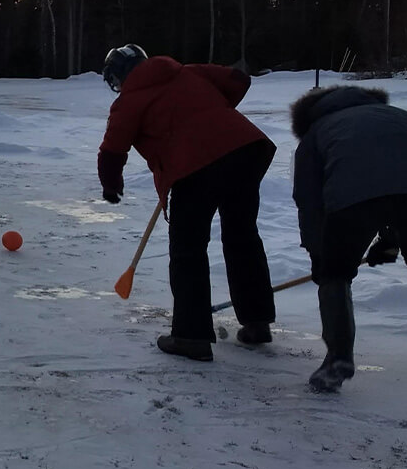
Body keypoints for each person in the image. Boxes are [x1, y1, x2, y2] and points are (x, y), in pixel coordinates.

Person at [97, 43, 277, 361]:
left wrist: (111, 187)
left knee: (188, 250)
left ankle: (191, 336)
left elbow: (112, 150)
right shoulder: (186, 71)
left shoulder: (129, 101)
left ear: (120, 76)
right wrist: (212, 114)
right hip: (245, 151)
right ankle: (256, 322)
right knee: (242, 237)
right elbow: (238, 79)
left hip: (196, 167)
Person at [290, 85, 407, 392]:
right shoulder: (400, 116)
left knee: (335, 274)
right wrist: (391, 239)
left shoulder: (316, 131)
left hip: (352, 200)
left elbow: (309, 200)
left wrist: (320, 254)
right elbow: (400, 178)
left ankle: (338, 360)